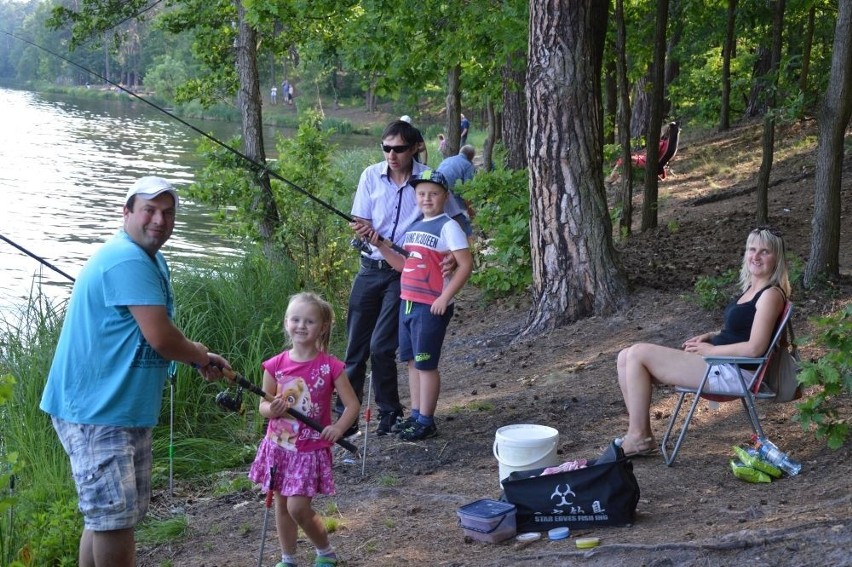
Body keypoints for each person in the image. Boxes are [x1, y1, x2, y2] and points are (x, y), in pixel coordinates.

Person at [39, 176, 231, 567]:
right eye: (149, 210)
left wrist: (198, 355)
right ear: (126, 212)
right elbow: (161, 338)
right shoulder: (126, 258)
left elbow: (156, 335)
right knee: (113, 519)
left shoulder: (149, 258)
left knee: (108, 518)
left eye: (168, 212)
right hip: (96, 409)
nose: (159, 220)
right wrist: (196, 354)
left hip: (118, 406)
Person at [338, 120, 467, 436]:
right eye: (386, 148)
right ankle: (346, 416)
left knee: (383, 347)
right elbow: (360, 220)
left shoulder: (428, 181)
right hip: (371, 267)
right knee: (355, 347)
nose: (391, 155)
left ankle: (389, 412)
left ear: (415, 148)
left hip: (405, 276)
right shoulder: (370, 175)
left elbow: (459, 222)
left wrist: (451, 255)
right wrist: (365, 232)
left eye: (398, 149)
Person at [614, 227, 790, 457]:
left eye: (764, 251)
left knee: (637, 353)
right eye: (752, 249)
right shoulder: (751, 290)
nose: (756, 256)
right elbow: (742, 330)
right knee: (624, 357)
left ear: (776, 258)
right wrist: (712, 335)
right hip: (721, 364)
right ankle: (642, 437)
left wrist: (713, 348)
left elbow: (755, 348)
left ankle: (637, 437)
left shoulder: (770, 295)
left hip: (735, 371)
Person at [248, 292, 359, 567]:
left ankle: (325, 551)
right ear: (286, 322)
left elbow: (352, 405)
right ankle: (288, 559)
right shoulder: (275, 365)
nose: (301, 325)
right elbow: (263, 405)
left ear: (322, 327)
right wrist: (270, 409)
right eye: (295, 319)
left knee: (298, 507)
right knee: (282, 505)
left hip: (309, 450)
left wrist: (338, 428)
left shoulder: (331, 367)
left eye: (309, 321)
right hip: (279, 446)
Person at [366, 170, 473, 441]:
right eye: (422, 193)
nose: (427, 198)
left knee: (426, 364)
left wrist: (444, 297)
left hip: (431, 305)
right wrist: (380, 246)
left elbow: (465, 265)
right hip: (408, 304)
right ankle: (415, 415)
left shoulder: (448, 226)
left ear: (444, 197)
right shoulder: (414, 228)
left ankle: (427, 420)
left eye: (433, 194)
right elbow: (404, 266)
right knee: (412, 362)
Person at [436, 144, 477, 237]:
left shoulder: (448, 159)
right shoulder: (468, 166)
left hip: (435, 190)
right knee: (463, 219)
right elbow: (467, 192)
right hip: (448, 191)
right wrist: (471, 213)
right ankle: (469, 242)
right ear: (471, 157)